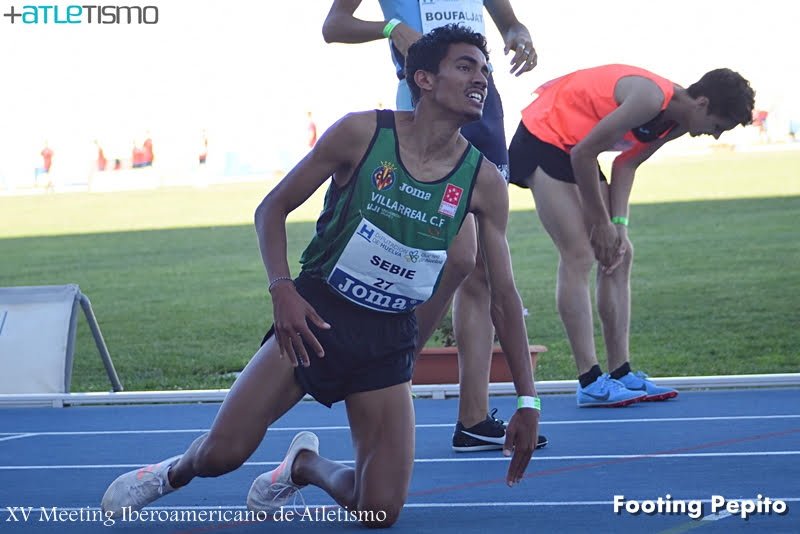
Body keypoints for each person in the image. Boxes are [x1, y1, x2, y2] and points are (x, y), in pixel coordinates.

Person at [101, 25, 541, 528]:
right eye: (465, 66)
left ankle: (303, 465)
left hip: (386, 339)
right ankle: (169, 473)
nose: (480, 78)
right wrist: (281, 290)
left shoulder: (482, 180)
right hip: (313, 316)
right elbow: (272, 209)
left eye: (484, 70)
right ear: (423, 78)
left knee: (378, 512)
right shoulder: (362, 133)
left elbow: (503, 296)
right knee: (221, 455)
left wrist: (528, 402)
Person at [323, 0, 546, 453]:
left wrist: (518, 33)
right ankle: (389, 374)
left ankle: (473, 417)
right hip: (428, 102)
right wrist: (389, 28)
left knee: (477, 265)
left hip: (482, 109)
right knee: (446, 257)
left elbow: (507, 20)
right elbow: (334, 26)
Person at [507, 64, 755, 407]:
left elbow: (626, 164)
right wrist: (600, 224)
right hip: (543, 138)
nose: (714, 136)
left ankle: (621, 372)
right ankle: (590, 382)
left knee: (620, 253)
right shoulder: (650, 99)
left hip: (574, 148)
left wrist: (618, 226)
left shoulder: (678, 123)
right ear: (701, 103)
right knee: (579, 254)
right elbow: (583, 154)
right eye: (717, 127)